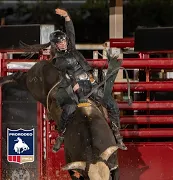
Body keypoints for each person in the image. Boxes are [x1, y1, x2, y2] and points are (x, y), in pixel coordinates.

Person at [19, 8, 127, 153]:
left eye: (64, 41)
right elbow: (64, 75)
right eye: (60, 42)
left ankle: (116, 135)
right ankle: (61, 134)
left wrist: (67, 17)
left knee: (112, 105)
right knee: (69, 109)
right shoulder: (58, 60)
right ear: (55, 45)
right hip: (76, 88)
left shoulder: (73, 50)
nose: (63, 43)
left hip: (91, 84)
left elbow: (71, 32)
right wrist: (74, 85)